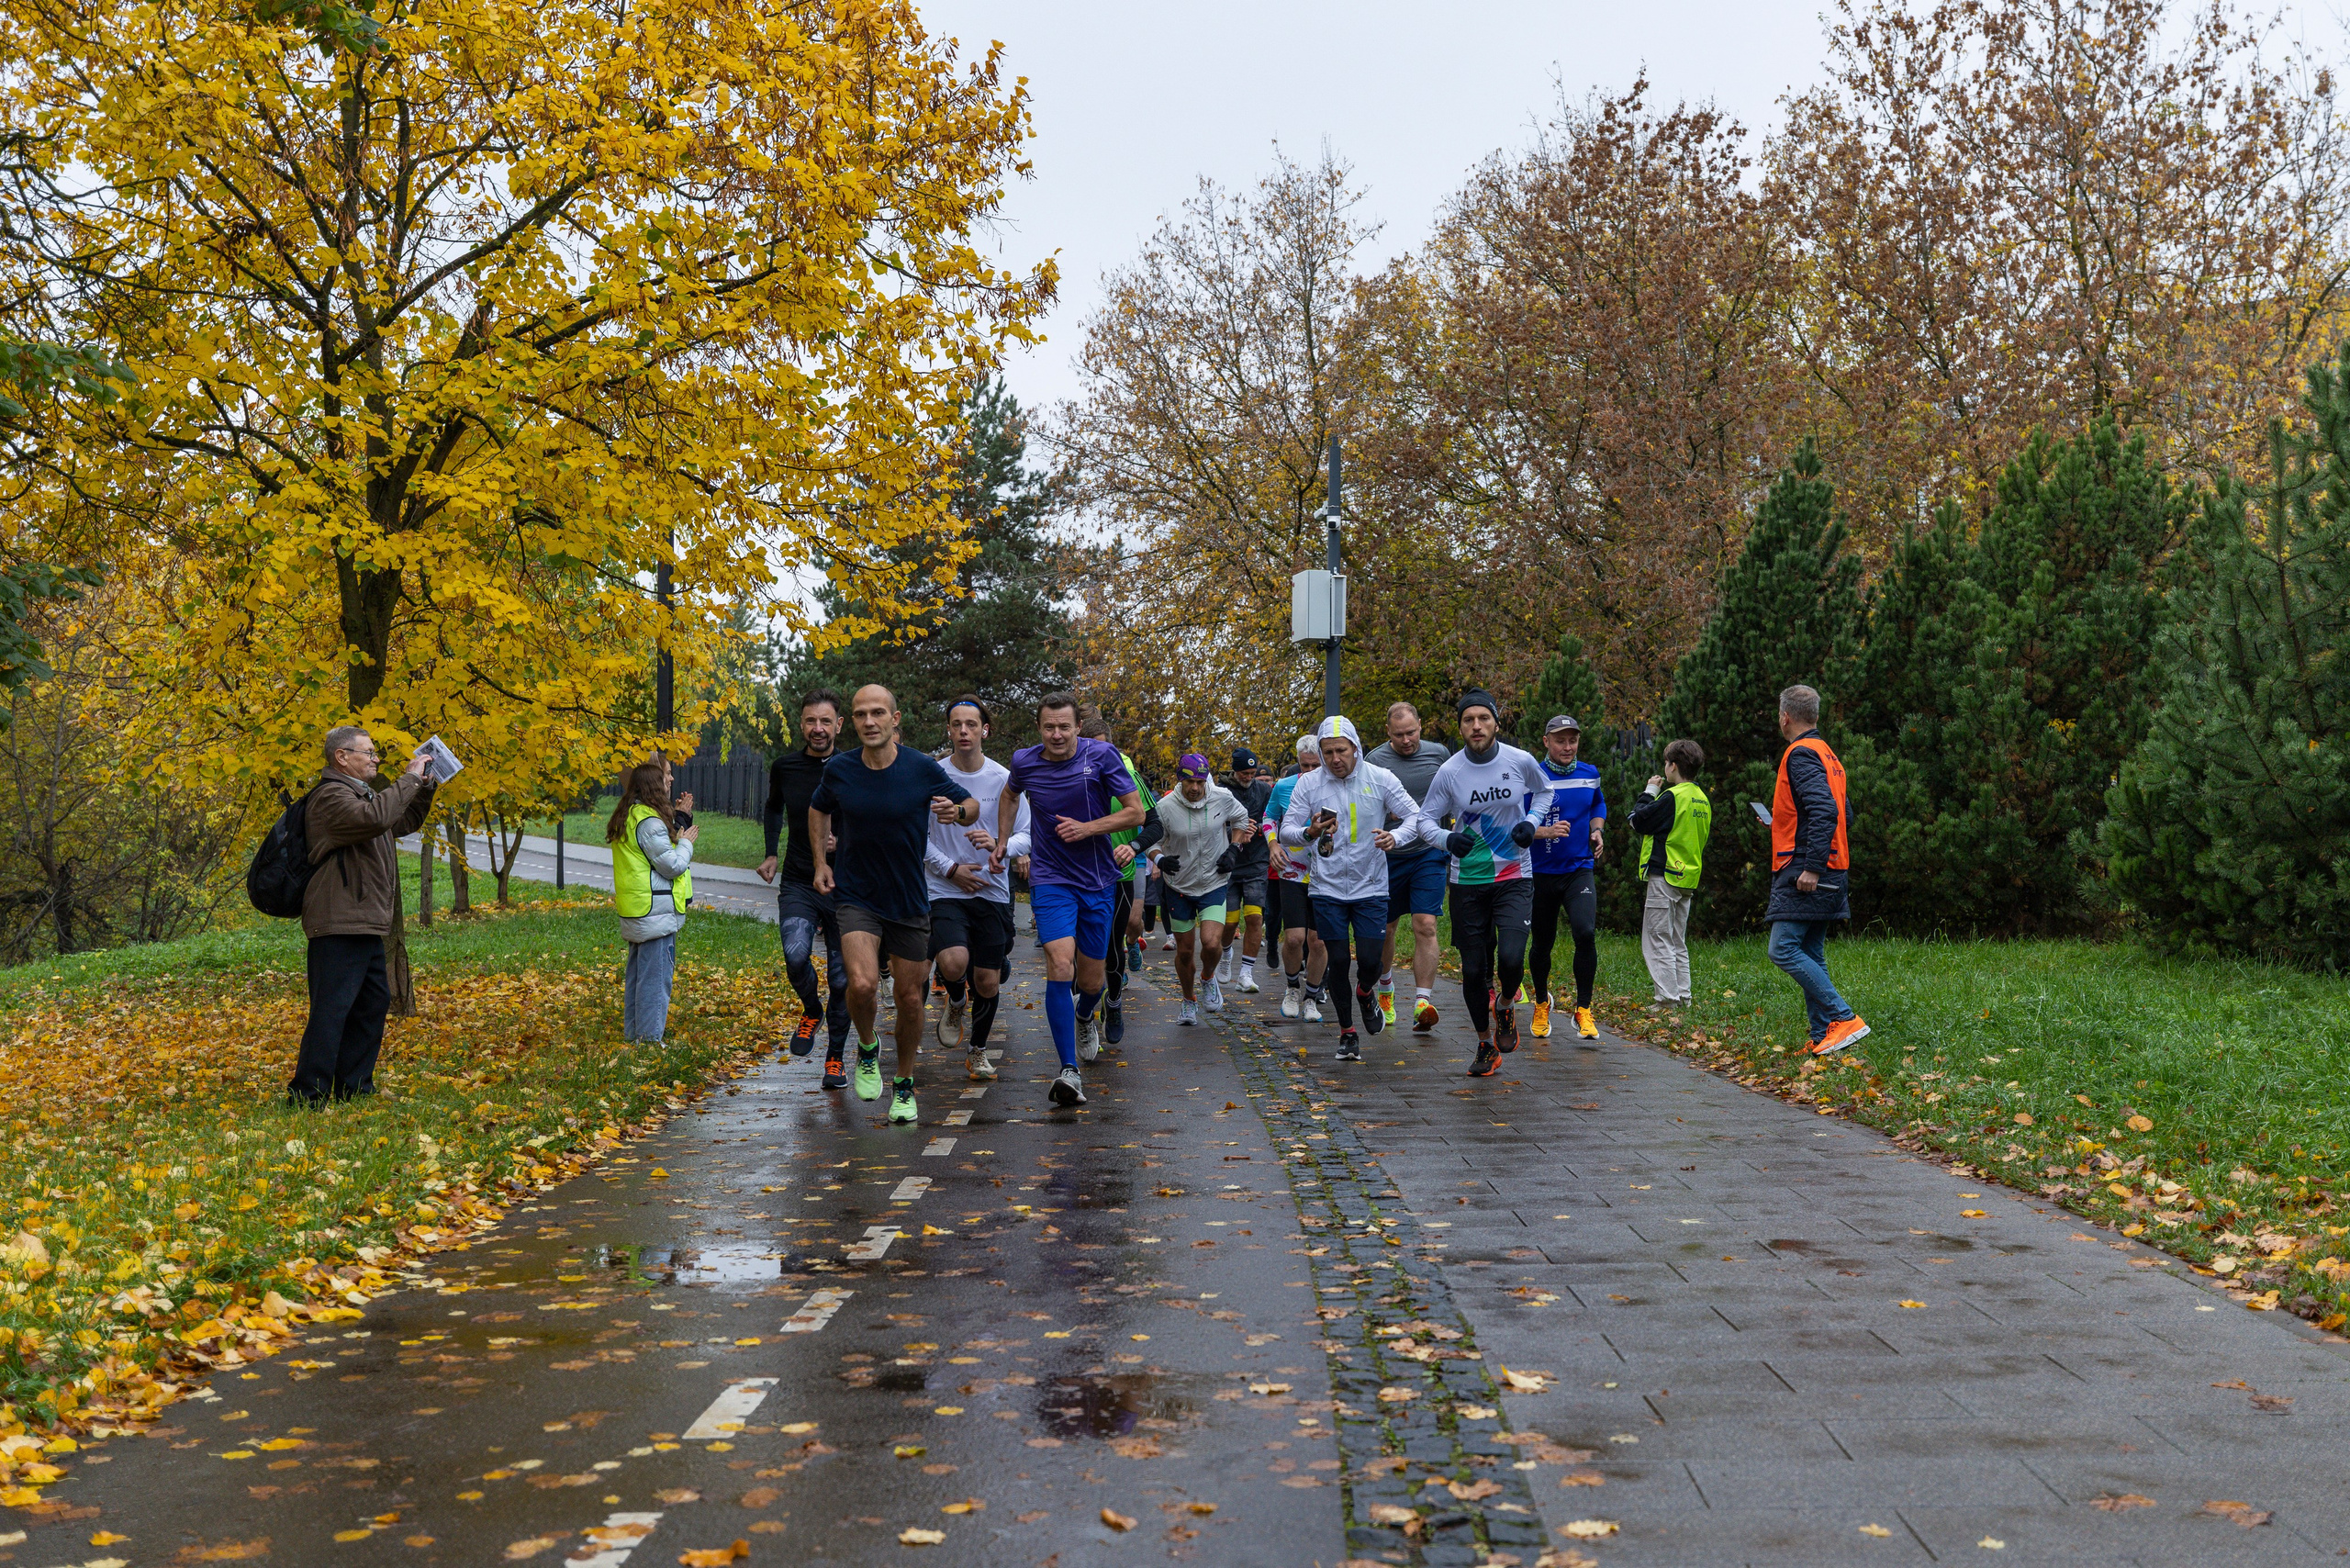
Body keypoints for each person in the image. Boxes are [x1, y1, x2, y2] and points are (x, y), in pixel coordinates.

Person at [809, 685, 977, 1125]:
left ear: (894, 719)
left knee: (909, 999)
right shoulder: (841, 769)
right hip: (856, 896)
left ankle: (904, 1082)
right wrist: (820, 863)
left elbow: (971, 805)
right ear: (854, 720)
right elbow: (817, 809)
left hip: (907, 899)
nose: (869, 721)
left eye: (878, 713)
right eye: (861, 714)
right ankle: (867, 1048)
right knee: (861, 985)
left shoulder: (921, 767)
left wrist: (956, 814)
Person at [991, 692, 1147, 1106]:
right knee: (1060, 963)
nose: (1056, 734)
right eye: (1048, 727)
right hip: (1050, 878)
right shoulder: (1025, 762)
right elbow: (1010, 795)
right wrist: (1004, 841)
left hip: (1097, 881)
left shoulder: (1103, 757)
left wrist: (1089, 828)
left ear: (1078, 727)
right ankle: (1068, 1071)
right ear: (1039, 728)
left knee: (1092, 979)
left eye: (1064, 726)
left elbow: (1136, 814)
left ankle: (1085, 1014)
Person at [291, 725, 438, 1104]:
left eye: (375, 753)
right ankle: (308, 1094)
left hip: (364, 918)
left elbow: (399, 822)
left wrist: (424, 787)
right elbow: (375, 818)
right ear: (342, 757)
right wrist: (408, 779)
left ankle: (353, 1087)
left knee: (372, 1002)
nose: (375, 759)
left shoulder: (363, 796)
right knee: (333, 1007)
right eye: (369, 753)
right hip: (338, 919)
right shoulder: (330, 797)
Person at [1279, 717, 1431, 1062]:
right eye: (1328, 752)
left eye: (1341, 751)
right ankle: (1347, 1033)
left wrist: (1396, 837)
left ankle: (1366, 992)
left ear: (1356, 748)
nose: (1335, 759)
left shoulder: (1379, 778)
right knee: (1337, 960)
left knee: (1369, 961)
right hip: (1326, 887)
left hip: (1371, 886)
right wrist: (1309, 833)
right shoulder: (1310, 784)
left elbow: (1416, 817)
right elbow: (1287, 829)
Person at [1420, 689, 1554, 1078]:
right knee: (1474, 968)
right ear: (1460, 726)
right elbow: (1425, 820)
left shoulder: (1520, 760)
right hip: (1467, 880)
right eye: (1468, 720)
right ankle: (1484, 1044)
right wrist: (1447, 840)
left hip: (1514, 874)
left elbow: (1544, 792)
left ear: (1496, 722)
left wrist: (1530, 822)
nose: (1476, 726)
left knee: (1512, 958)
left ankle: (1507, 1005)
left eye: (1483, 718)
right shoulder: (1450, 772)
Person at [924, 697, 1032, 1081]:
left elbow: (1028, 834)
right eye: (957, 724)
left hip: (991, 889)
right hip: (945, 887)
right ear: (949, 730)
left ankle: (978, 1051)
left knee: (987, 979)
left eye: (972, 724)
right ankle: (955, 1000)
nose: (964, 731)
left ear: (985, 730)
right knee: (953, 962)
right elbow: (918, 837)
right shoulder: (932, 775)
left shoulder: (1004, 779)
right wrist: (951, 869)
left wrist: (1001, 846)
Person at [1768, 685, 1870, 1054]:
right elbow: (1845, 814)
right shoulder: (1828, 755)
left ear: (1785, 717)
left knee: (1782, 949)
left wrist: (1810, 867)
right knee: (1810, 950)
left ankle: (1843, 1017)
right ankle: (1822, 1036)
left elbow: (1825, 812)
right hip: (1833, 867)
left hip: (1809, 872)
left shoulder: (1800, 754)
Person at [758, 689, 852, 1084]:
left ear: (839, 725)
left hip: (848, 887)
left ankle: (835, 1058)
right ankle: (811, 1009)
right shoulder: (786, 767)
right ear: (801, 724)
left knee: (843, 979)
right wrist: (770, 853)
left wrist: (843, 841)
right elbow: (773, 807)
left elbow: (876, 819)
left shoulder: (854, 767)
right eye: (811, 721)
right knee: (796, 956)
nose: (818, 729)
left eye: (825, 721)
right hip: (799, 879)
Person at [1365, 702, 1450, 1035]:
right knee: (1386, 929)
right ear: (1388, 733)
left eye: (1411, 732)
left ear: (1421, 726)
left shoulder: (1439, 754)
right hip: (1387, 856)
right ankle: (1385, 989)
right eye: (1398, 734)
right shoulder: (1374, 761)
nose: (1406, 740)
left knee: (1426, 924)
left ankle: (1422, 1001)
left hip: (1428, 853)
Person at [1156, 753, 1254, 1025]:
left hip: (1213, 882)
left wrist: (1234, 849)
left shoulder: (1221, 797)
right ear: (1180, 779)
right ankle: (1188, 1001)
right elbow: (1152, 840)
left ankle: (1208, 978)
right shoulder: (1165, 807)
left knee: (1211, 943)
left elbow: (1241, 819)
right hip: (1179, 886)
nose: (1195, 788)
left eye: (1200, 781)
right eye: (1189, 781)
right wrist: (1159, 859)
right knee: (1185, 952)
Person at [1083, 711, 1161, 1046]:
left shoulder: (1127, 773)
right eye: (1093, 751)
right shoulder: (1067, 773)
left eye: (1107, 752)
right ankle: (1084, 1014)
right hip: (1077, 877)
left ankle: (1113, 1002)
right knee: (1076, 954)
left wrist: (1133, 845)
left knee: (1112, 948)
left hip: (1118, 876)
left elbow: (1155, 823)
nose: (1102, 759)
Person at [1527, 713, 1606, 1041]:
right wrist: (1545, 832)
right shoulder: (1531, 776)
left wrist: (1597, 831)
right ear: (1546, 742)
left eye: (1572, 740)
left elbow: (1597, 805)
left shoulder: (1590, 774)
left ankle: (1583, 1009)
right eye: (1560, 740)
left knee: (1585, 933)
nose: (1567, 746)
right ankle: (1542, 1001)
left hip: (1578, 869)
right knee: (1542, 943)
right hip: (1541, 872)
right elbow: (1516, 824)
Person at [609, 756, 699, 1044]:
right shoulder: (648, 821)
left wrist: (679, 821)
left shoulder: (633, 815)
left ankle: (636, 1036)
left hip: (639, 911)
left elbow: (658, 850)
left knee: (639, 977)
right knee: (654, 980)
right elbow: (671, 865)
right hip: (655, 914)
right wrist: (687, 843)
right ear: (653, 786)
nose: (670, 780)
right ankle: (647, 1042)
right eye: (666, 776)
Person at [1630, 738, 1711, 1009]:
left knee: (1657, 938)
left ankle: (1667, 1000)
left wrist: (1649, 791)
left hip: (1665, 874)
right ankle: (1683, 997)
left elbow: (1638, 820)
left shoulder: (1673, 797)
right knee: (1677, 940)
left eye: (1667, 763)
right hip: (1687, 876)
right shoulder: (1702, 799)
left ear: (1673, 766)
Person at [1263, 734, 1328, 1022]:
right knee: (1294, 939)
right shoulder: (1285, 786)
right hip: (1293, 869)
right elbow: (1269, 817)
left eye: (1316, 766)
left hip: (1327, 873)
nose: (1310, 772)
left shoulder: (1336, 786)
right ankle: (1292, 988)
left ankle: (1312, 997)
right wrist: (1273, 844)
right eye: (1305, 766)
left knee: (1319, 942)